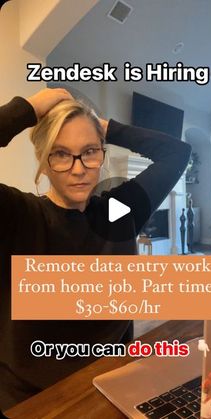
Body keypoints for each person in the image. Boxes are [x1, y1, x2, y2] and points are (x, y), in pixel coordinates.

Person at [0, 88, 191, 411]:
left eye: (89, 152)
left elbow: (176, 152)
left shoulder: (120, 211)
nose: (78, 168)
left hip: (112, 387)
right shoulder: (17, 215)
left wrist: (101, 126)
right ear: (43, 162)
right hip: (33, 402)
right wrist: (27, 109)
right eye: (61, 154)